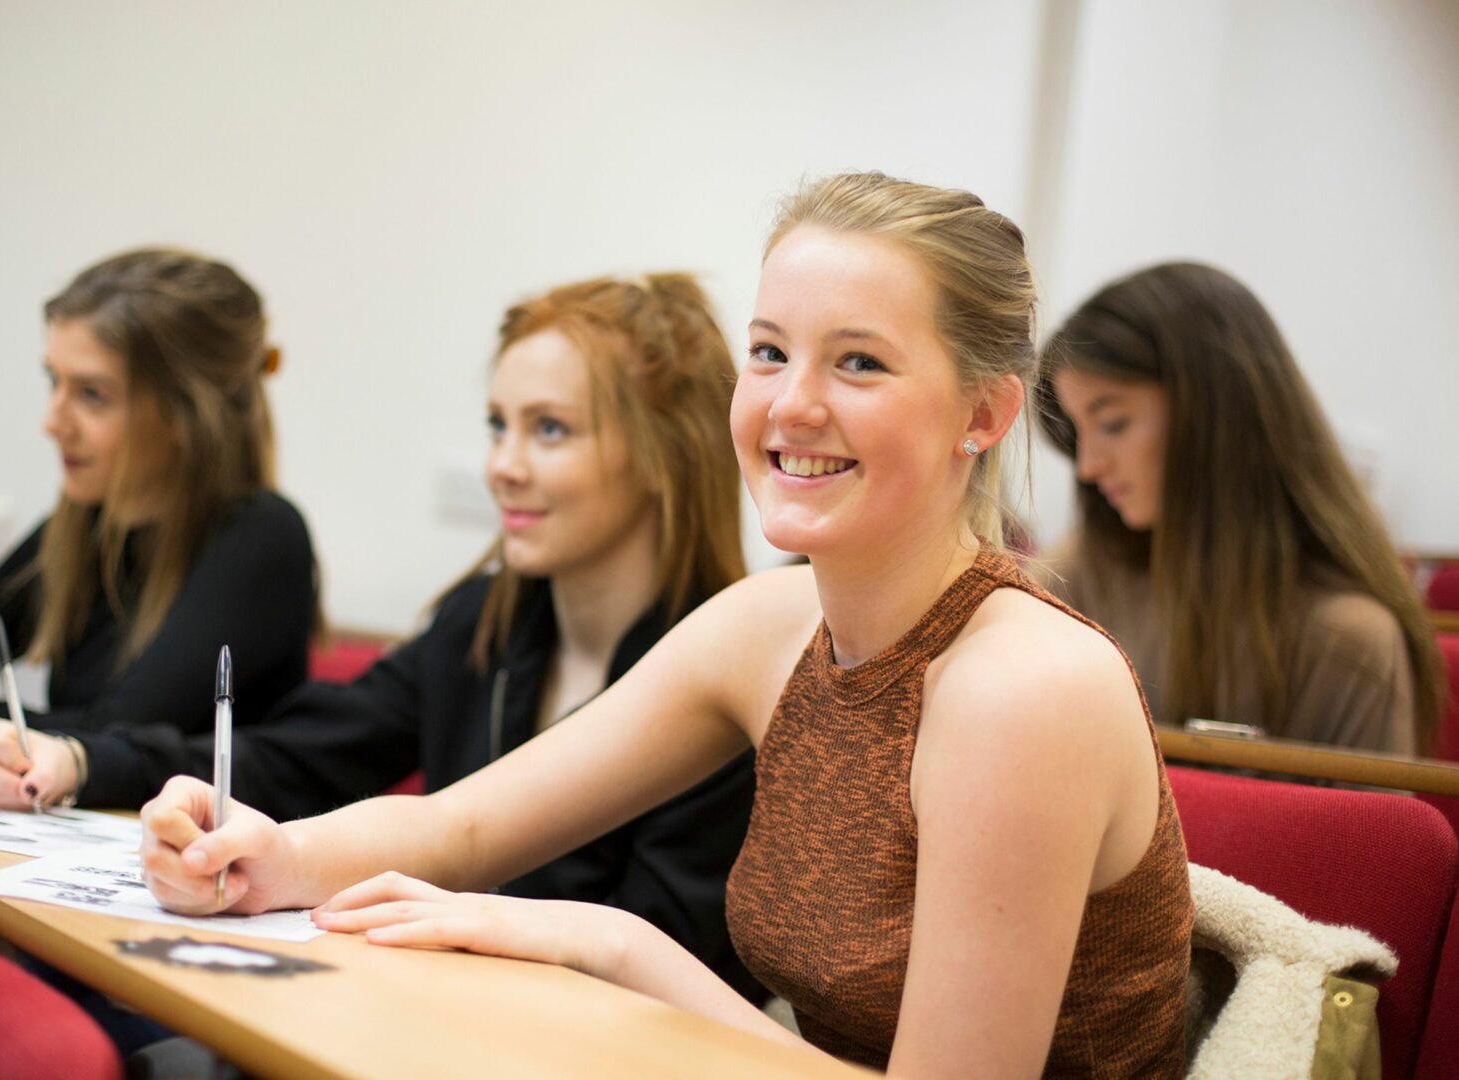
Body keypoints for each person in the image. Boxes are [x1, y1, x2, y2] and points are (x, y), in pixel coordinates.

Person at [140, 173, 1193, 1077]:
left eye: (859, 362)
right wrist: (260, 855)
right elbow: (460, 827)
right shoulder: (770, 624)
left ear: (984, 415)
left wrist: (606, 942)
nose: (791, 405)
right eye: (771, 352)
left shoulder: (1023, 688)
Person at [0, 273, 764, 1001]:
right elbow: (300, 754)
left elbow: (665, 967)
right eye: (498, 426)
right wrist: (86, 760)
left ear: (666, 454)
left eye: (550, 430)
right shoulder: (478, 624)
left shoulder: (731, 675)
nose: (502, 465)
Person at [0, 249, 318, 762]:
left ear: (186, 414)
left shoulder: (262, 535)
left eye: (91, 394)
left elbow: (119, 732)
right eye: (54, 381)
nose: (52, 422)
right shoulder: (86, 524)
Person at [1034, 262, 1443, 754]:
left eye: (1115, 423)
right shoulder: (1078, 577)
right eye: (1078, 432)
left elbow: (1363, 832)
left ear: (1216, 417)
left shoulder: (1350, 643)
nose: (1088, 467)